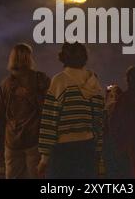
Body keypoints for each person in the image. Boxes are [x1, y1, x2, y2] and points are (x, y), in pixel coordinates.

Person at [37, 42, 104, 179]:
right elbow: (99, 119)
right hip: (88, 146)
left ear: (63, 58)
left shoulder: (59, 81)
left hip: (63, 149)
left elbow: (49, 120)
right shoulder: (94, 82)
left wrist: (44, 158)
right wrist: (98, 149)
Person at [0, 43, 50, 179]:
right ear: (29, 58)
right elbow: (49, 109)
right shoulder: (40, 79)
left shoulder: (5, 83)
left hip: (12, 140)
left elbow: (0, 117)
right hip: (35, 138)